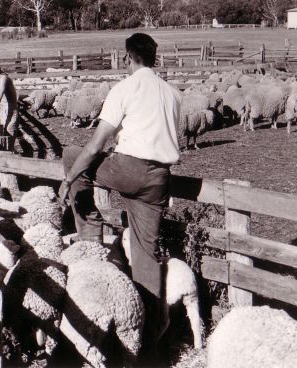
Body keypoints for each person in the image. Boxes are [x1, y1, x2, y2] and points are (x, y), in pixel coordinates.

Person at [59, 33, 182, 358]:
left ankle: (91, 239)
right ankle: (149, 340)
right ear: (154, 58)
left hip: (127, 170)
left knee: (73, 154)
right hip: (159, 179)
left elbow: (95, 145)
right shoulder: (172, 94)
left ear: (128, 57)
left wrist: (70, 178)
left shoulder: (124, 89)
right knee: (146, 254)